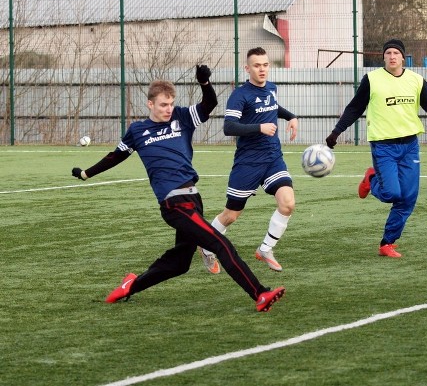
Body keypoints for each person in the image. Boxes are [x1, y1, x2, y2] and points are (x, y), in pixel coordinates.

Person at [71, 65, 285, 312]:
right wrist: (86, 173)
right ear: (150, 104)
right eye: (163, 104)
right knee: (220, 244)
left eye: (171, 103)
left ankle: (130, 286)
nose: (168, 109)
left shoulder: (181, 118)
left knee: (180, 263)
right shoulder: (137, 131)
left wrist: (205, 83)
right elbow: (114, 157)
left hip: (193, 198)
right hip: (174, 204)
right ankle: (260, 294)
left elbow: (209, 104)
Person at [325, 39, 427, 258]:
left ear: (402, 57)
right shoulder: (372, 79)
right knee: (391, 193)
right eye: (388, 52)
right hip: (383, 146)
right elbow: (355, 107)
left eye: (396, 52)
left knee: (408, 198)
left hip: (409, 146)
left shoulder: (415, 80)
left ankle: (387, 243)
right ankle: (371, 179)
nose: (392, 56)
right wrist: (337, 131)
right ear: (384, 57)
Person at [198, 47, 298, 273]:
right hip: (248, 162)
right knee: (231, 215)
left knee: (288, 203)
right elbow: (229, 127)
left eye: (265, 65)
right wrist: (259, 128)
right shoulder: (240, 95)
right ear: (247, 68)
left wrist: (290, 116)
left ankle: (265, 249)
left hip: (273, 158)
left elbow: (273, 107)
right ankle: (205, 245)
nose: (262, 69)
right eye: (256, 65)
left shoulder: (272, 88)